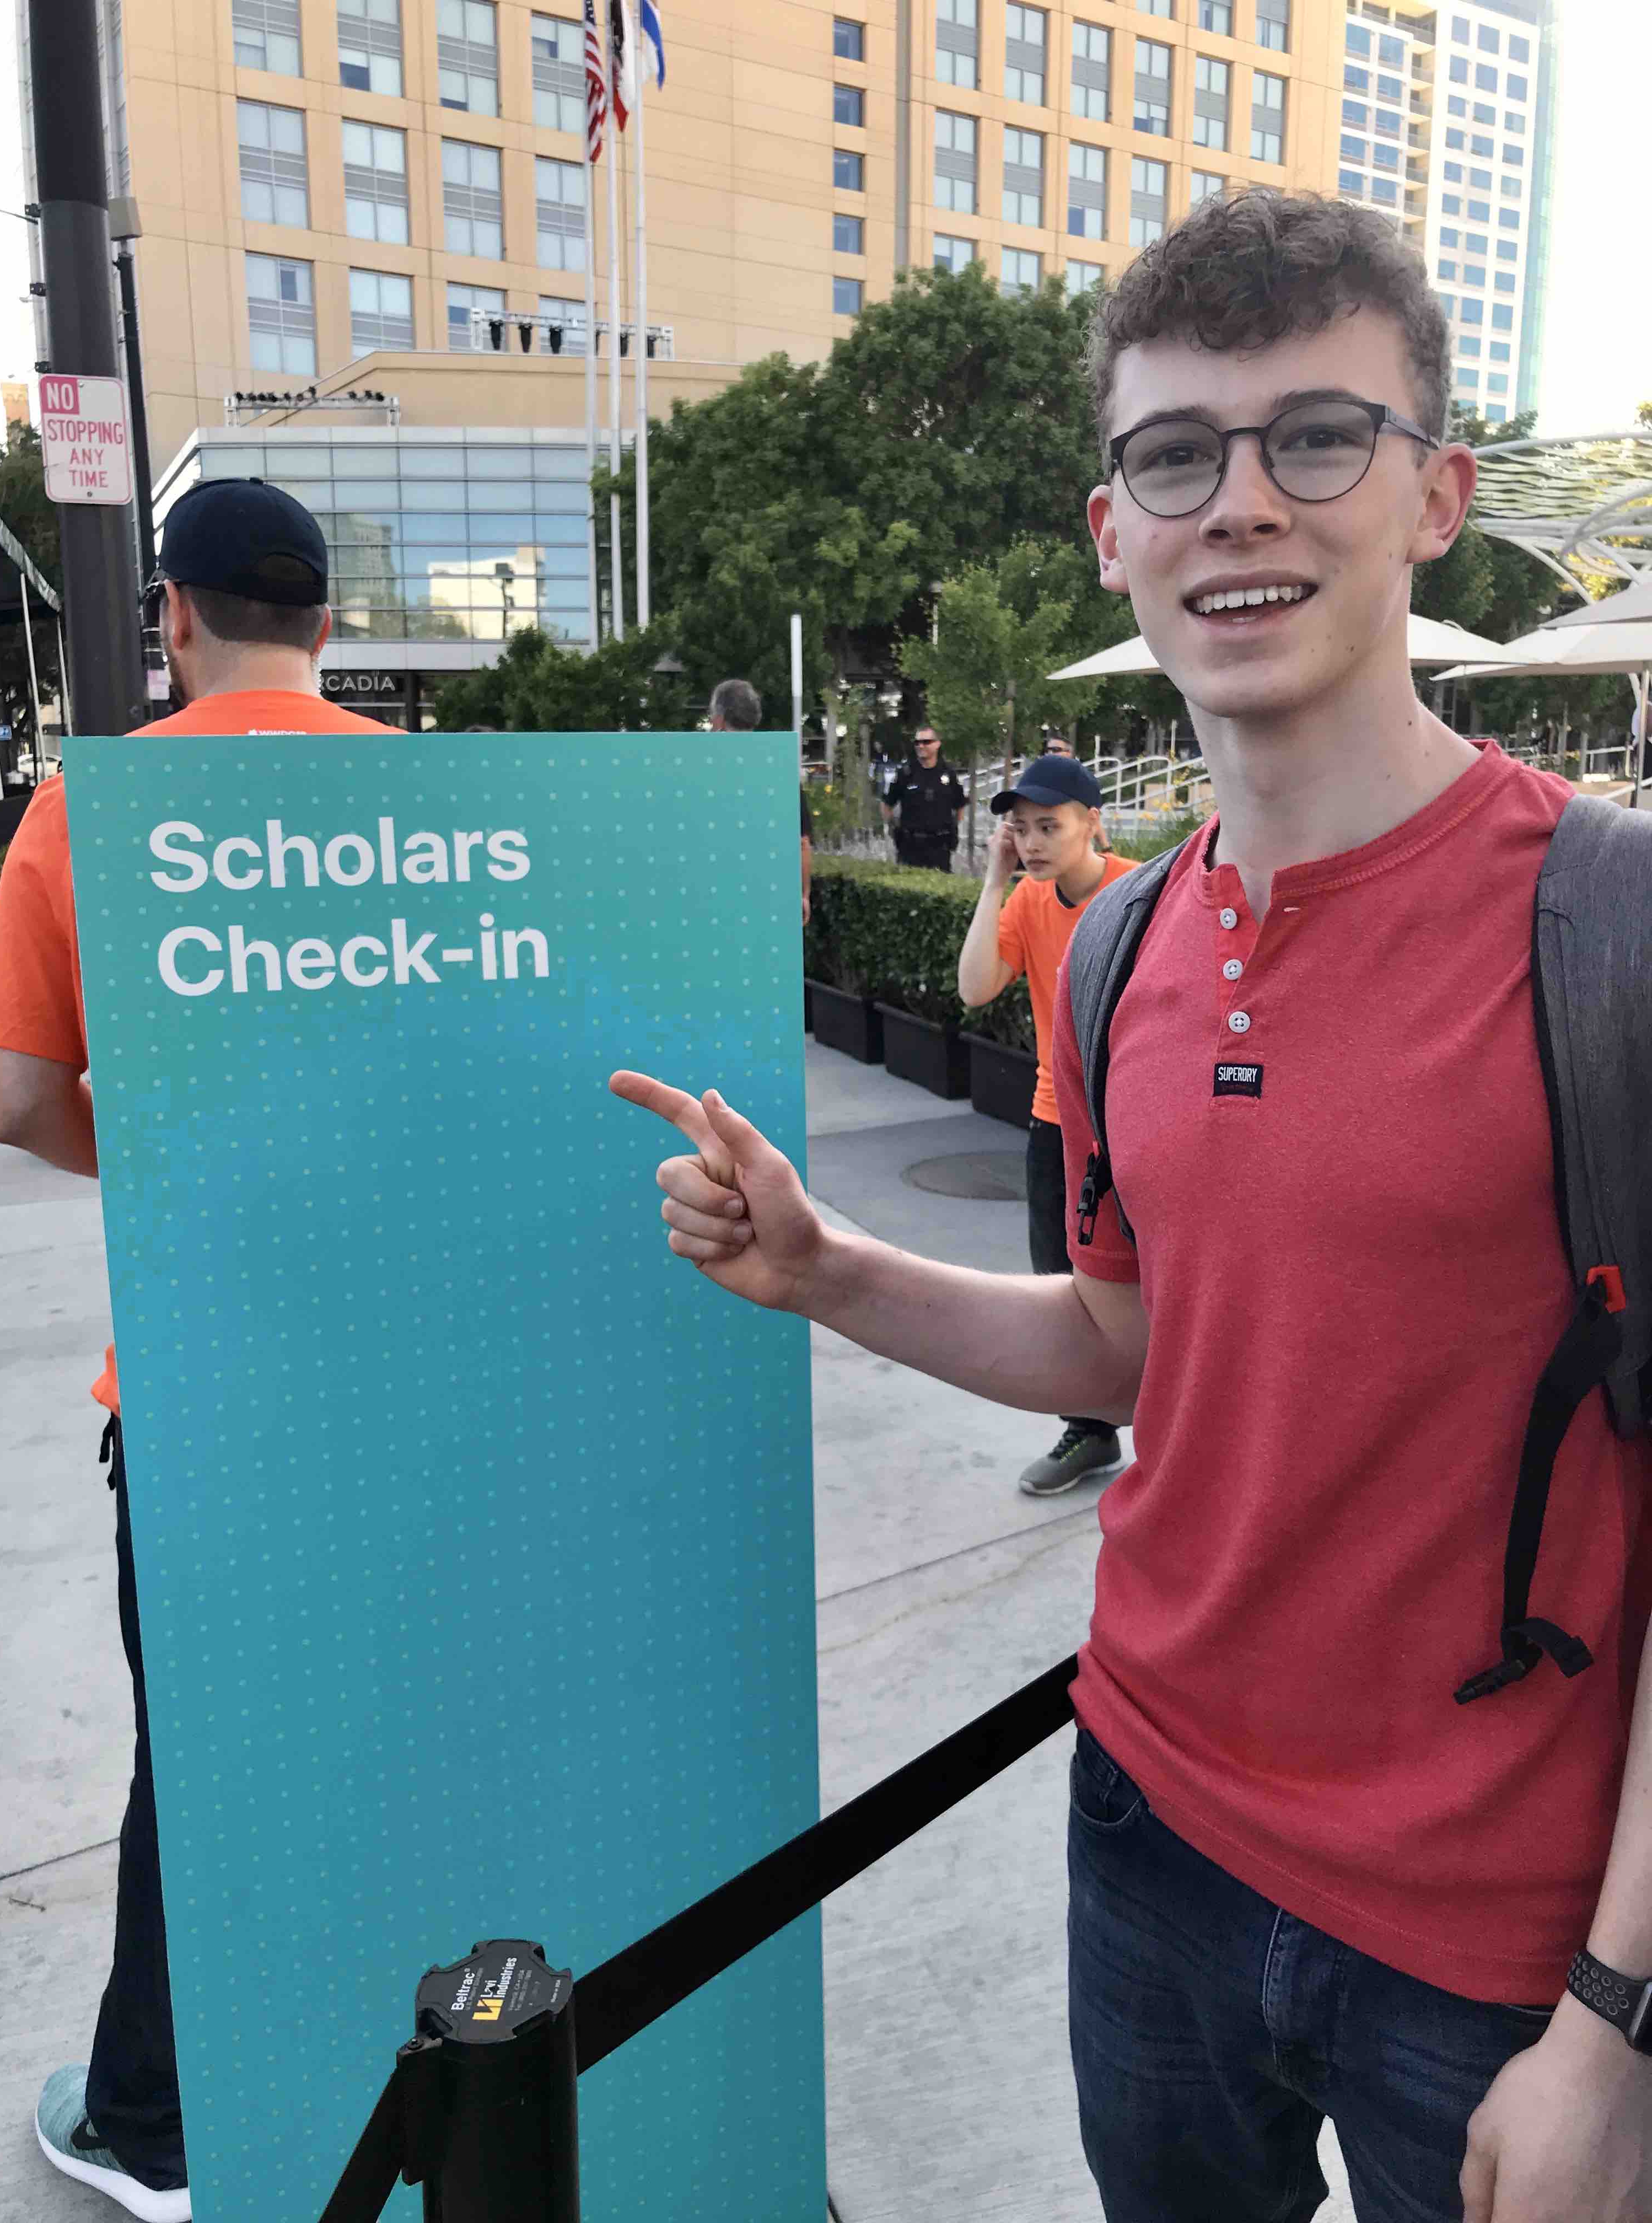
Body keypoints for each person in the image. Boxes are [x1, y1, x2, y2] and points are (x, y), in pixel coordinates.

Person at [610, 190, 1652, 2223]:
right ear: (1113, 525)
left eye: (1313, 439)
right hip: (1146, 1830)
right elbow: (1121, 1344)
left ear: (1431, 494)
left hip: (1492, 1940)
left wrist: (1607, 2016)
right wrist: (823, 1268)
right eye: (1175, 453)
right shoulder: (1111, 951)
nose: (1238, 504)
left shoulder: (1604, 925)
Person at [0, 477, 397, 2222]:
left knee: (209, 1755)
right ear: (325, 622)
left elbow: (14, 1097)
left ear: (171, 615)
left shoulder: (94, 807)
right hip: (421, 1367)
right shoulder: (430, 797)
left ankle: (153, 2123)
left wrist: (154, 1147)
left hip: (212, 1376)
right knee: (406, 1716)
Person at [957, 754, 1135, 1496]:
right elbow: (974, 990)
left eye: (1048, 827)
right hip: (1056, 1122)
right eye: (1020, 829)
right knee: (1063, 1284)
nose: (1032, 841)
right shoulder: (1028, 902)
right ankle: (1089, 1432)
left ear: (1093, 822)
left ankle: (1179, 1431)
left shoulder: (1138, 891)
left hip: (1136, 1123)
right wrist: (996, 880)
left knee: (1166, 1282)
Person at [709, 675, 811, 925]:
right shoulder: (778, 766)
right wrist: (803, 895)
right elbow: (802, 842)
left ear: (719, 720)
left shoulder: (704, 767)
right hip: (767, 894)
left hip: (712, 894)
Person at [882, 726, 967, 870]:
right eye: (917, 743)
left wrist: (951, 827)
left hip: (940, 847)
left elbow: (960, 806)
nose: (921, 746)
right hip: (910, 846)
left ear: (937, 744)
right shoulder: (905, 773)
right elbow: (887, 803)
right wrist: (893, 827)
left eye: (926, 742)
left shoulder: (949, 774)